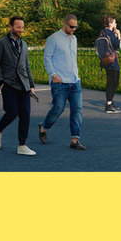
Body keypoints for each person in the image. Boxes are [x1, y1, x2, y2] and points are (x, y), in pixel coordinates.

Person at [38, 14, 85, 151]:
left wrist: (77, 75)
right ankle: (43, 127)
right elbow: (47, 58)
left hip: (75, 81)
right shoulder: (53, 39)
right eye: (71, 26)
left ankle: (75, 140)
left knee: (77, 110)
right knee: (58, 108)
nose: (73, 29)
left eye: (76, 27)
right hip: (60, 82)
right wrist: (53, 75)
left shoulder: (74, 39)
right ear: (64, 23)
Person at [0, 16, 37, 156]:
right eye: (18, 27)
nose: (21, 30)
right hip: (8, 84)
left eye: (22, 27)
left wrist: (31, 84)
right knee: (12, 112)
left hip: (24, 85)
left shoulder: (24, 44)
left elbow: (26, 65)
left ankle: (22, 145)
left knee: (25, 115)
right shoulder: (1, 43)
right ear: (10, 27)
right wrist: (0, 83)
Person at [96, 15, 121, 113]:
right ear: (110, 23)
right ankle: (109, 104)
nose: (116, 24)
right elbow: (118, 46)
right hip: (113, 61)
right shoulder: (111, 34)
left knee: (109, 82)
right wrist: (118, 35)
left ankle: (110, 103)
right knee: (114, 83)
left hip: (105, 60)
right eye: (114, 22)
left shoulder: (102, 32)